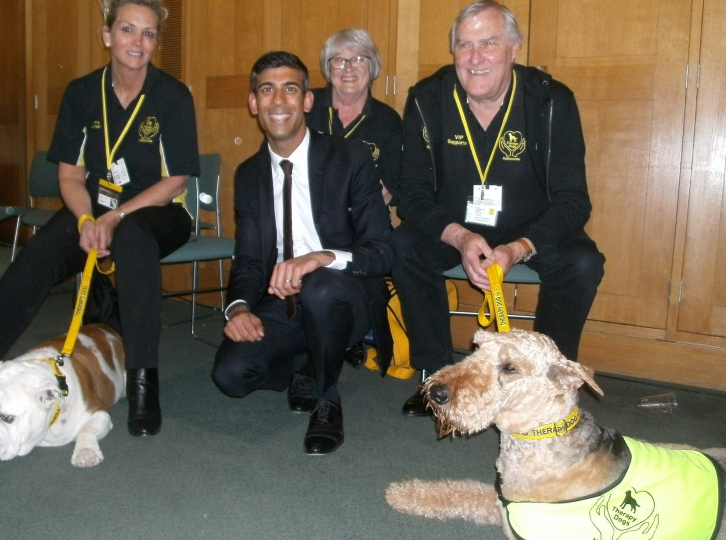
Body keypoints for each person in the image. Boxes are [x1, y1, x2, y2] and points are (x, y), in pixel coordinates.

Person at [0, 0, 199, 437]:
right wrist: (85, 221)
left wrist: (116, 216)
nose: (137, 42)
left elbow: (175, 180)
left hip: (159, 210)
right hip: (94, 206)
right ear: (107, 35)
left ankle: (143, 383)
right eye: (127, 29)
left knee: (133, 238)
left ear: (156, 42)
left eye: (148, 33)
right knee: (40, 253)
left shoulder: (173, 96)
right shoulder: (81, 93)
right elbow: (70, 175)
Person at [392, 0, 605, 416]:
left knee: (582, 263)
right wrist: (460, 237)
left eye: (488, 43)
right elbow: (412, 194)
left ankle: (548, 383)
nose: (475, 58)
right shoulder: (427, 99)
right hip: (456, 226)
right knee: (403, 245)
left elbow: (574, 201)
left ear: (514, 48)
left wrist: (519, 247)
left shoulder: (551, 101)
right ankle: (436, 377)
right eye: (464, 45)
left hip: (530, 230)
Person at [211, 51, 393, 455]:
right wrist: (238, 309)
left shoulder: (351, 158)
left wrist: (321, 257)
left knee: (320, 286)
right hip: (284, 301)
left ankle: (327, 398)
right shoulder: (249, 174)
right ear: (253, 103)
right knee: (231, 376)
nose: (279, 101)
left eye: (290, 89)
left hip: (345, 295)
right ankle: (306, 360)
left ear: (308, 100)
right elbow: (249, 260)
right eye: (267, 90)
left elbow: (381, 252)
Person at [305, 28, 402, 205]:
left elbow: (389, 188)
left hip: (363, 216)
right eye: (339, 60)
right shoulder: (306, 106)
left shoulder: (389, 120)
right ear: (328, 68)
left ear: (372, 66)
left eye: (358, 59)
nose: (348, 68)